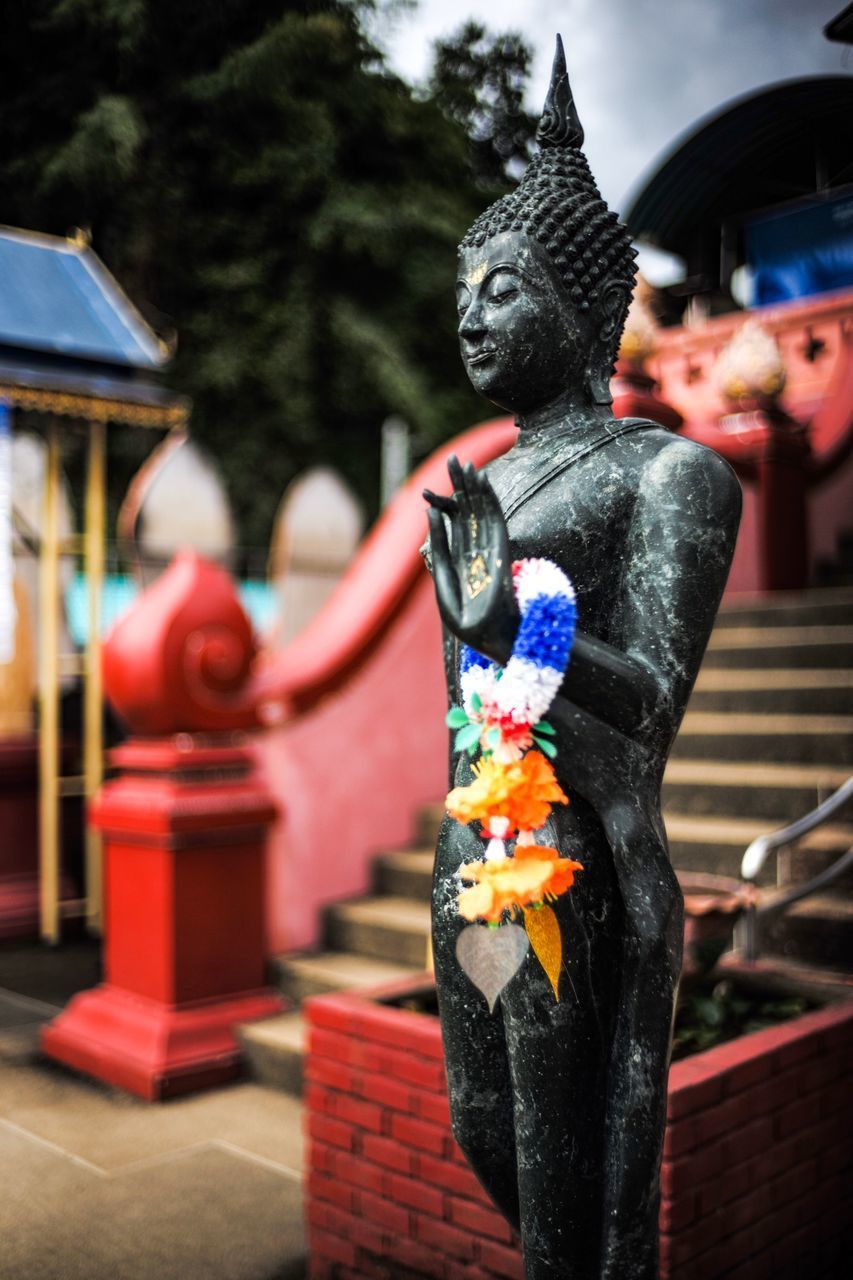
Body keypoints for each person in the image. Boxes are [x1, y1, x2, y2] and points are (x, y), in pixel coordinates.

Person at [423, 37, 741, 1280]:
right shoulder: (477, 487)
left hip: (572, 860)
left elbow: (651, 702)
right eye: (465, 289)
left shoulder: (667, 474)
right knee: (480, 1130)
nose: (470, 313)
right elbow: (456, 702)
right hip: (471, 847)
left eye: (503, 286)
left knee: (568, 1205)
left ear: (584, 302)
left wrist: (520, 627)